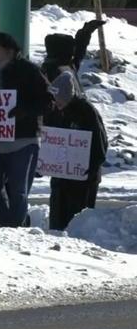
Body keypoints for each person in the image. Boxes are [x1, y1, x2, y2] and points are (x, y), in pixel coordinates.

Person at [0, 32, 51, 228]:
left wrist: (25, 111)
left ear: (11, 52)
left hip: (22, 141)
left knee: (17, 190)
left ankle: (13, 229)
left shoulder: (29, 71)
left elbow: (48, 102)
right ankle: (10, 224)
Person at [45, 71, 108, 230]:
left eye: (58, 98)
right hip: (61, 179)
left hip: (83, 182)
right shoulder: (57, 111)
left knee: (76, 226)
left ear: (67, 95)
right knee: (57, 225)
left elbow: (100, 146)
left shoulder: (86, 112)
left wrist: (89, 172)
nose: (55, 102)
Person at [41, 19, 105, 89]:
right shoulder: (56, 72)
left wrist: (86, 31)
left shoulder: (63, 65)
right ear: (64, 51)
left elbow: (79, 50)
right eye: (72, 48)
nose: (74, 51)